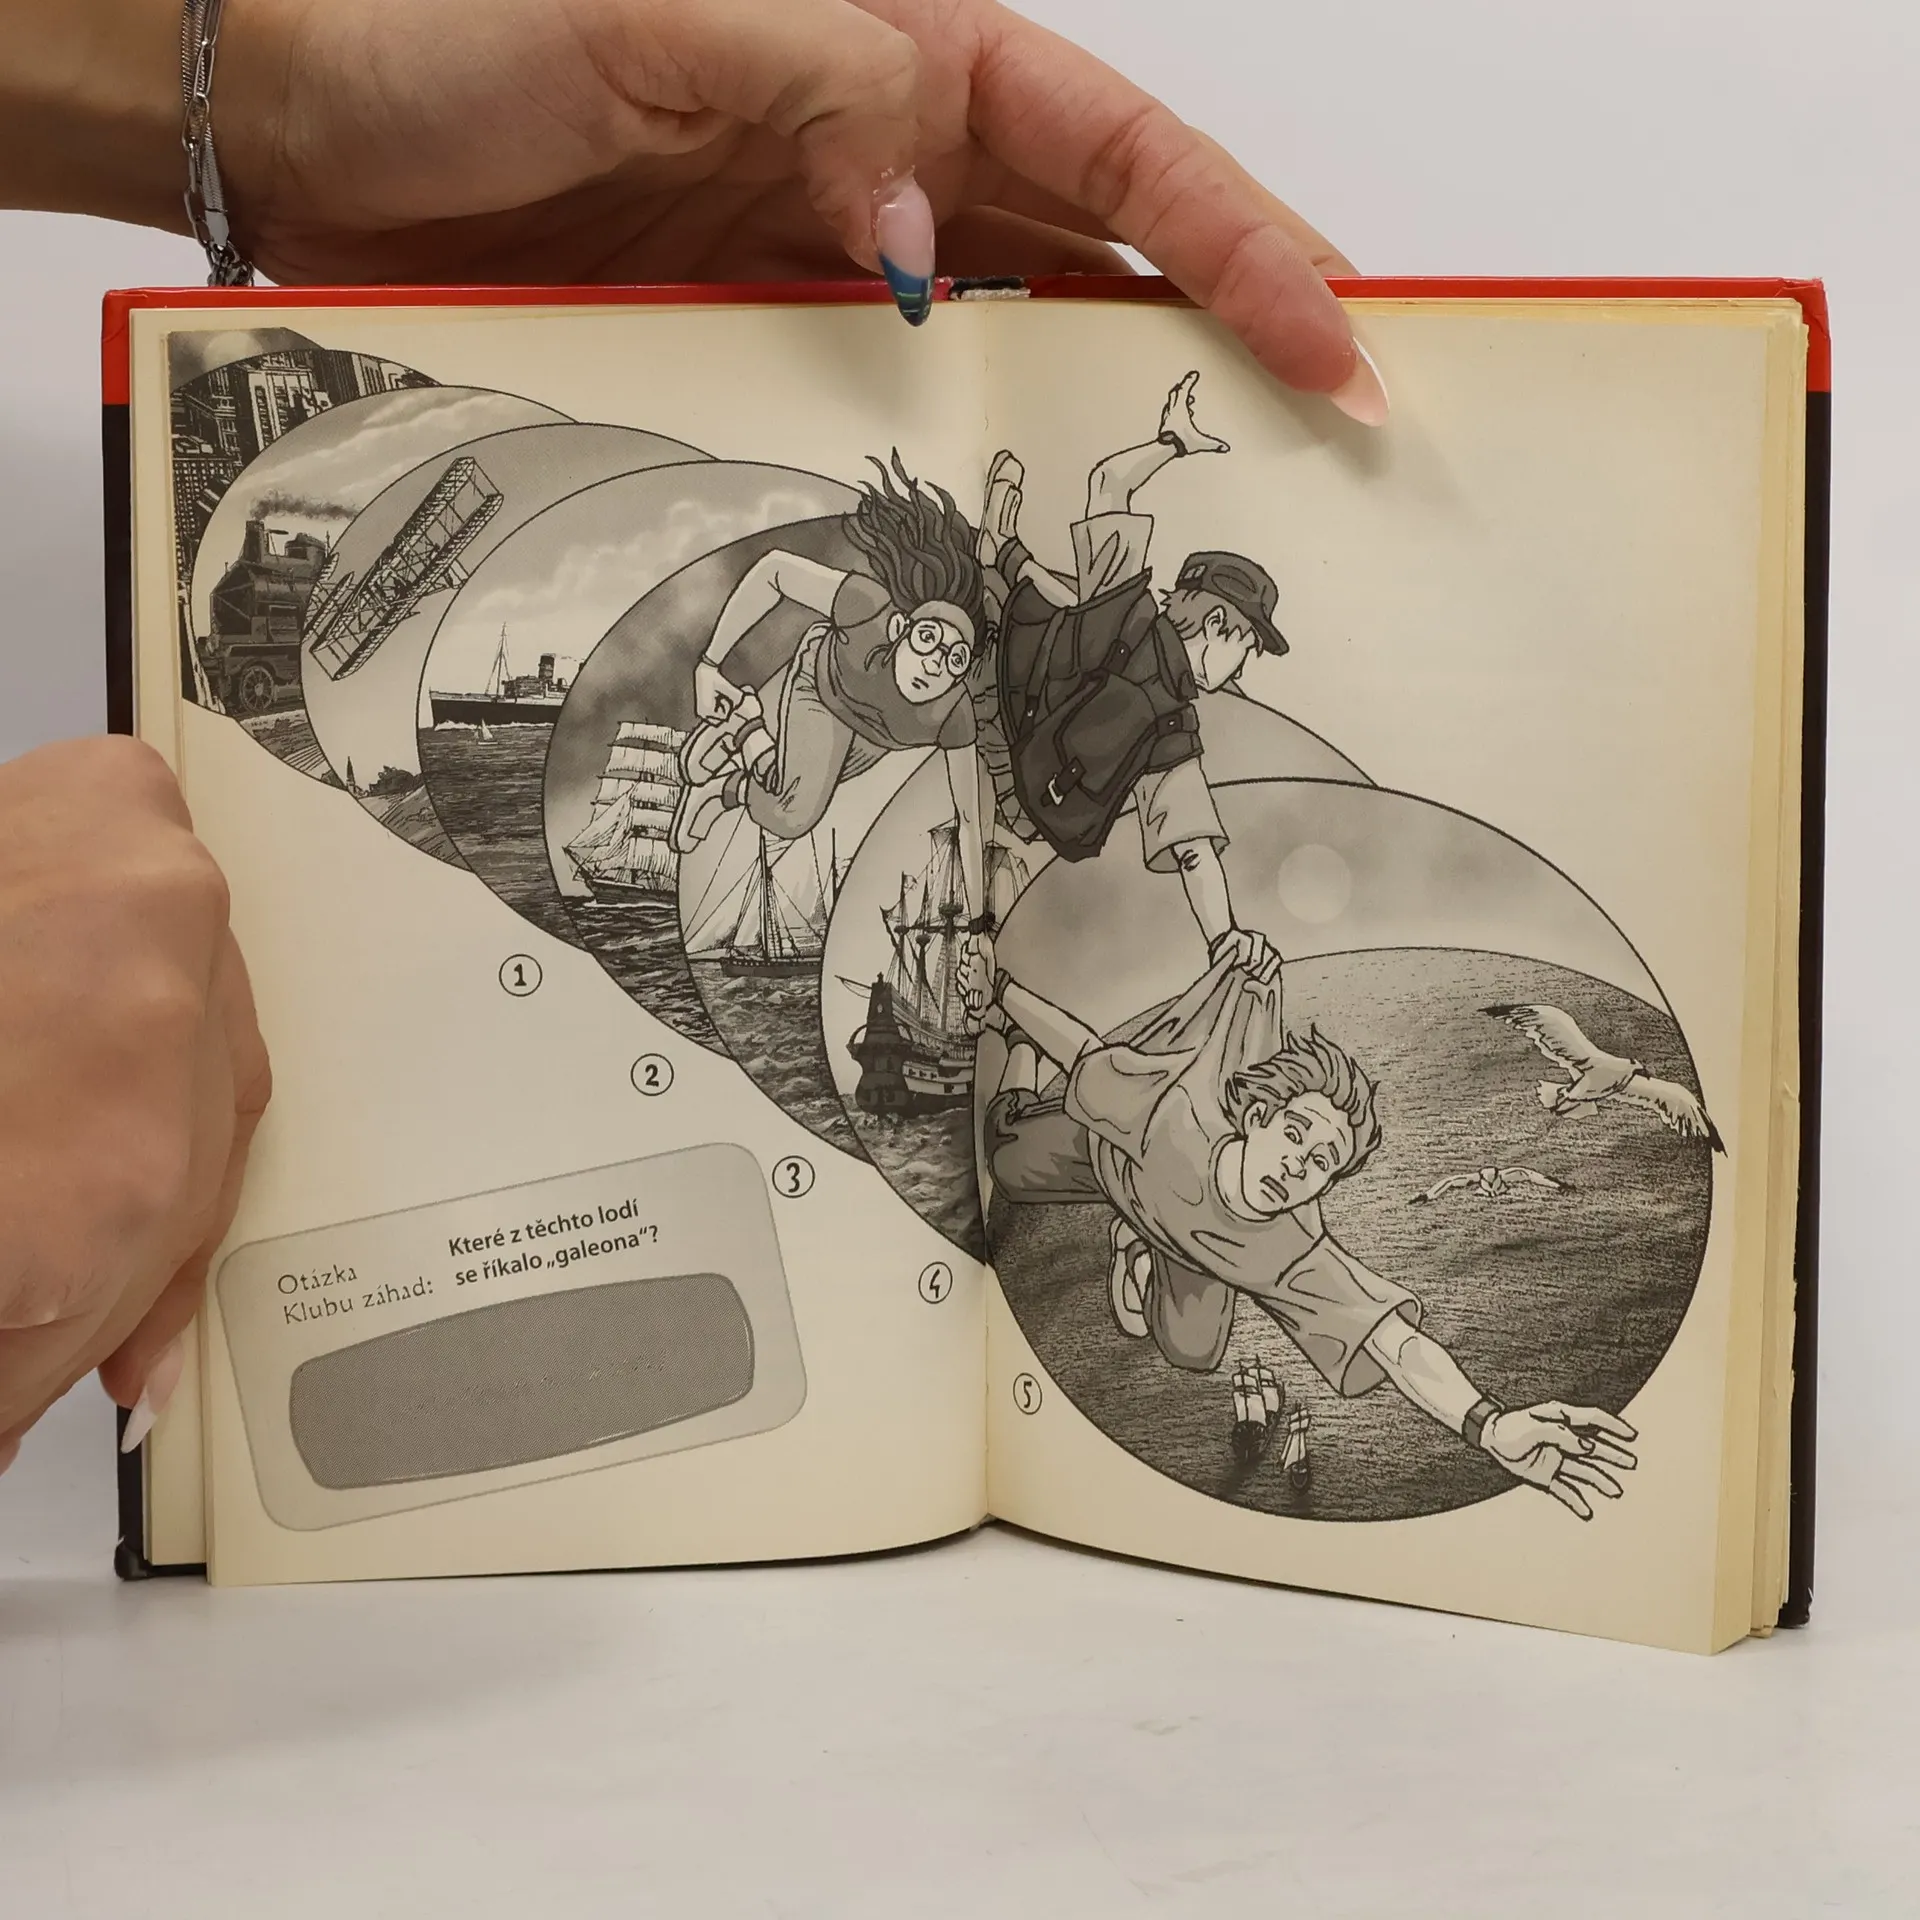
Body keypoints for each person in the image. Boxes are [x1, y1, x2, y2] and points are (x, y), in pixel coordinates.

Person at [0, 0, 1383, 1472]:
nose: (1224, 656)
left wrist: (279, 106)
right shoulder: (942, 624)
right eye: (1226, 632)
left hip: (903, 794)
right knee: (779, 840)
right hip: (811, 733)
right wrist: (733, 682)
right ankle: (752, 839)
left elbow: (1140, 811)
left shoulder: (1082, 708)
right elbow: (862, 587)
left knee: (832, 868)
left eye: (1237, 648)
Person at [966, 947, 1639, 1519]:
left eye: (1322, 1162)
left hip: (1182, 1247)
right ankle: (1018, 1069)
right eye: (1295, 1135)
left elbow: (1397, 1344)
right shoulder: (1174, 1120)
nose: (1298, 1165)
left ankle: (1135, 1247)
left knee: (1191, 1352)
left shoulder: (1293, 1252)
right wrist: (1001, 991)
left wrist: (1490, 1426)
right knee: (1005, 1161)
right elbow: (1084, 1051)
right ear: (1257, 1118)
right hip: (1110, 1158)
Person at [977, 371, 1284, 968]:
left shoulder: (1129, 601)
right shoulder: (1174, 727)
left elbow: (1108, 482)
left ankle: (1003, 551)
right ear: (1218, 624)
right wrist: (1224, 938)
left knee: (1077, 601)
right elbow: (1194, 850)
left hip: (1006, 705)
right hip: (1031, 802)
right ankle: (1002, 551)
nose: (1244, 666)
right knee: (1073, 601)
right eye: (1247, 645)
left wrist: (1171, 444)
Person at [671, 456, 994, 954]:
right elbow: (774, 571)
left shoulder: (954, 713)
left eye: (954, 659)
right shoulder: (867, 607)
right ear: (900, 629)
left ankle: (739, 735)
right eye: (928, 638)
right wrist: (710, 664)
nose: (934, 664)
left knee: (790, 787)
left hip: (874, 738)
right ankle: (726, 776)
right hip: (822, 686)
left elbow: (969, 817)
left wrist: (978, 926)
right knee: (794, 815)